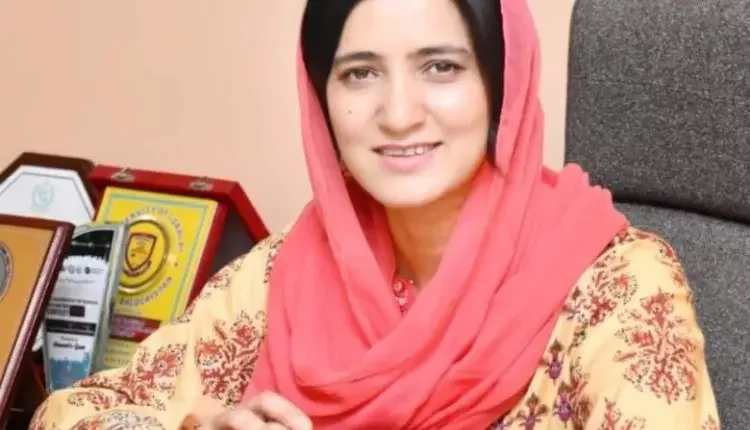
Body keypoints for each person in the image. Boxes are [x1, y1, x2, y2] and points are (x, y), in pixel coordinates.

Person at [31, 0, 721, 428]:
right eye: (360, 73)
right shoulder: (286, 273)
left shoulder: (620, 288)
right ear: (322, 101)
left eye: (440, 67)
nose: (397, 114)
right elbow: (69, 413)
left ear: (502, 83)